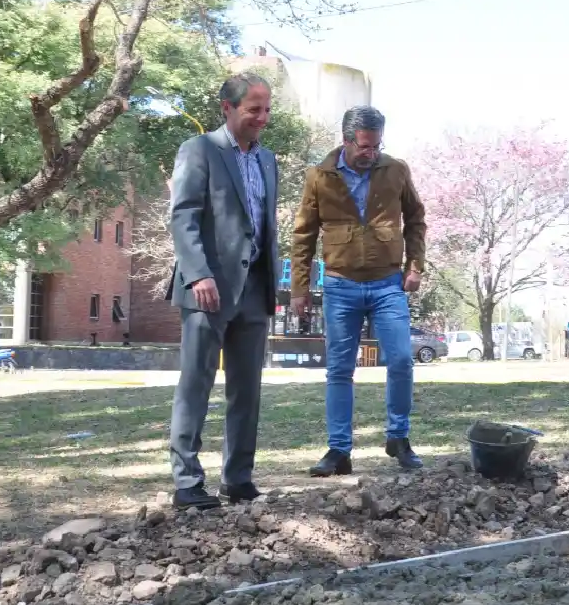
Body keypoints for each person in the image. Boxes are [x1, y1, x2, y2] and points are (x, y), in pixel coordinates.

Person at [291, 106, 427, 476]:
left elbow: (416, 219)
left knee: (400, 359)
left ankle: (398, 438)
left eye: (376, 146)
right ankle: (339, 450)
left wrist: (415, 266)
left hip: (387, 284)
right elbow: (303, 234)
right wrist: (299, 288)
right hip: (340, 284)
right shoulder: (320, 176)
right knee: (339, 369)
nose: (371, 154)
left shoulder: (395, 170)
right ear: (347, 139)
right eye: (365, 147)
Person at [166, 72, 280, 509]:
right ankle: (187, 482)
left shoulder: (268, 160)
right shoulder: (199, 151)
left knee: (247, 389)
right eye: (254, 109)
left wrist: (274, 285)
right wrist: (198, 274)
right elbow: (184, 216)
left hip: (255, 288)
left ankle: (238, 478)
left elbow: (264, 226)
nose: (262, 118)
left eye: (267, 109)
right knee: (196, 383)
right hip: (207, 287)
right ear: (227, 108)